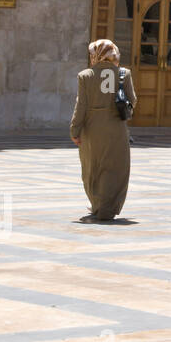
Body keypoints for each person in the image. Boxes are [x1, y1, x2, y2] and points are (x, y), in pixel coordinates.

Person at [69, 39, 137, 223]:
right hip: (116, 129)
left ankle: (98, 205)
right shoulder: (124, 73)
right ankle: (107, 207)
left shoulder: (85, 75)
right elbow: (133, 100)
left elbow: (80, 106)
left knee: (92, 168)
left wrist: (75, 130)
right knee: (114, 169)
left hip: (92, 129)